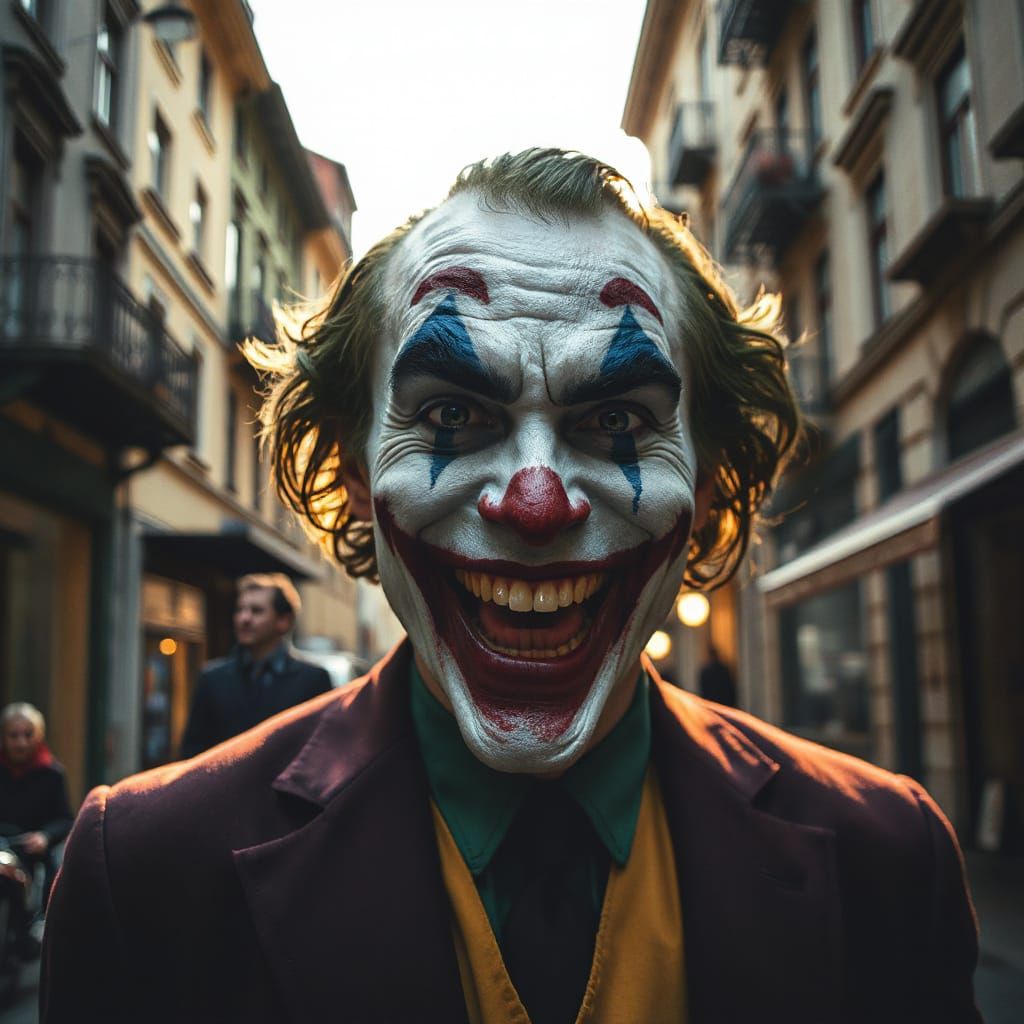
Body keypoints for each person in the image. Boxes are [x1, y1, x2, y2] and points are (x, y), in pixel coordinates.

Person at [42, 150, 980, 1022]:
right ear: (358, 474)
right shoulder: (145, 876)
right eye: (453, 414)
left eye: (617, 419)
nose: (536, 504)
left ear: (703, 484)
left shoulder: (892, 864)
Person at [178, 573, 332, 758]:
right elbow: (192, 752)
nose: (244, 618)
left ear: (283, 621)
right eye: (240, 609)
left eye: (256, 610)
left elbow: (323, 752)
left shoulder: (313, 680)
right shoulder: (211, 678)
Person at [0, 703, 73, 909]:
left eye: (28, 734)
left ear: (39, 736)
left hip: (33, 855)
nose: (21, 743)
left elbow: (65, 818)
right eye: (13, 735)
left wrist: (44, 836)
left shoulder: (52, 773)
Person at [697, 643, 738, 708]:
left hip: (711, 703)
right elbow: (730, 689)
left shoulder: (706, 671)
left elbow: (703, 691)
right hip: (724, 703)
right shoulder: (724, 669)